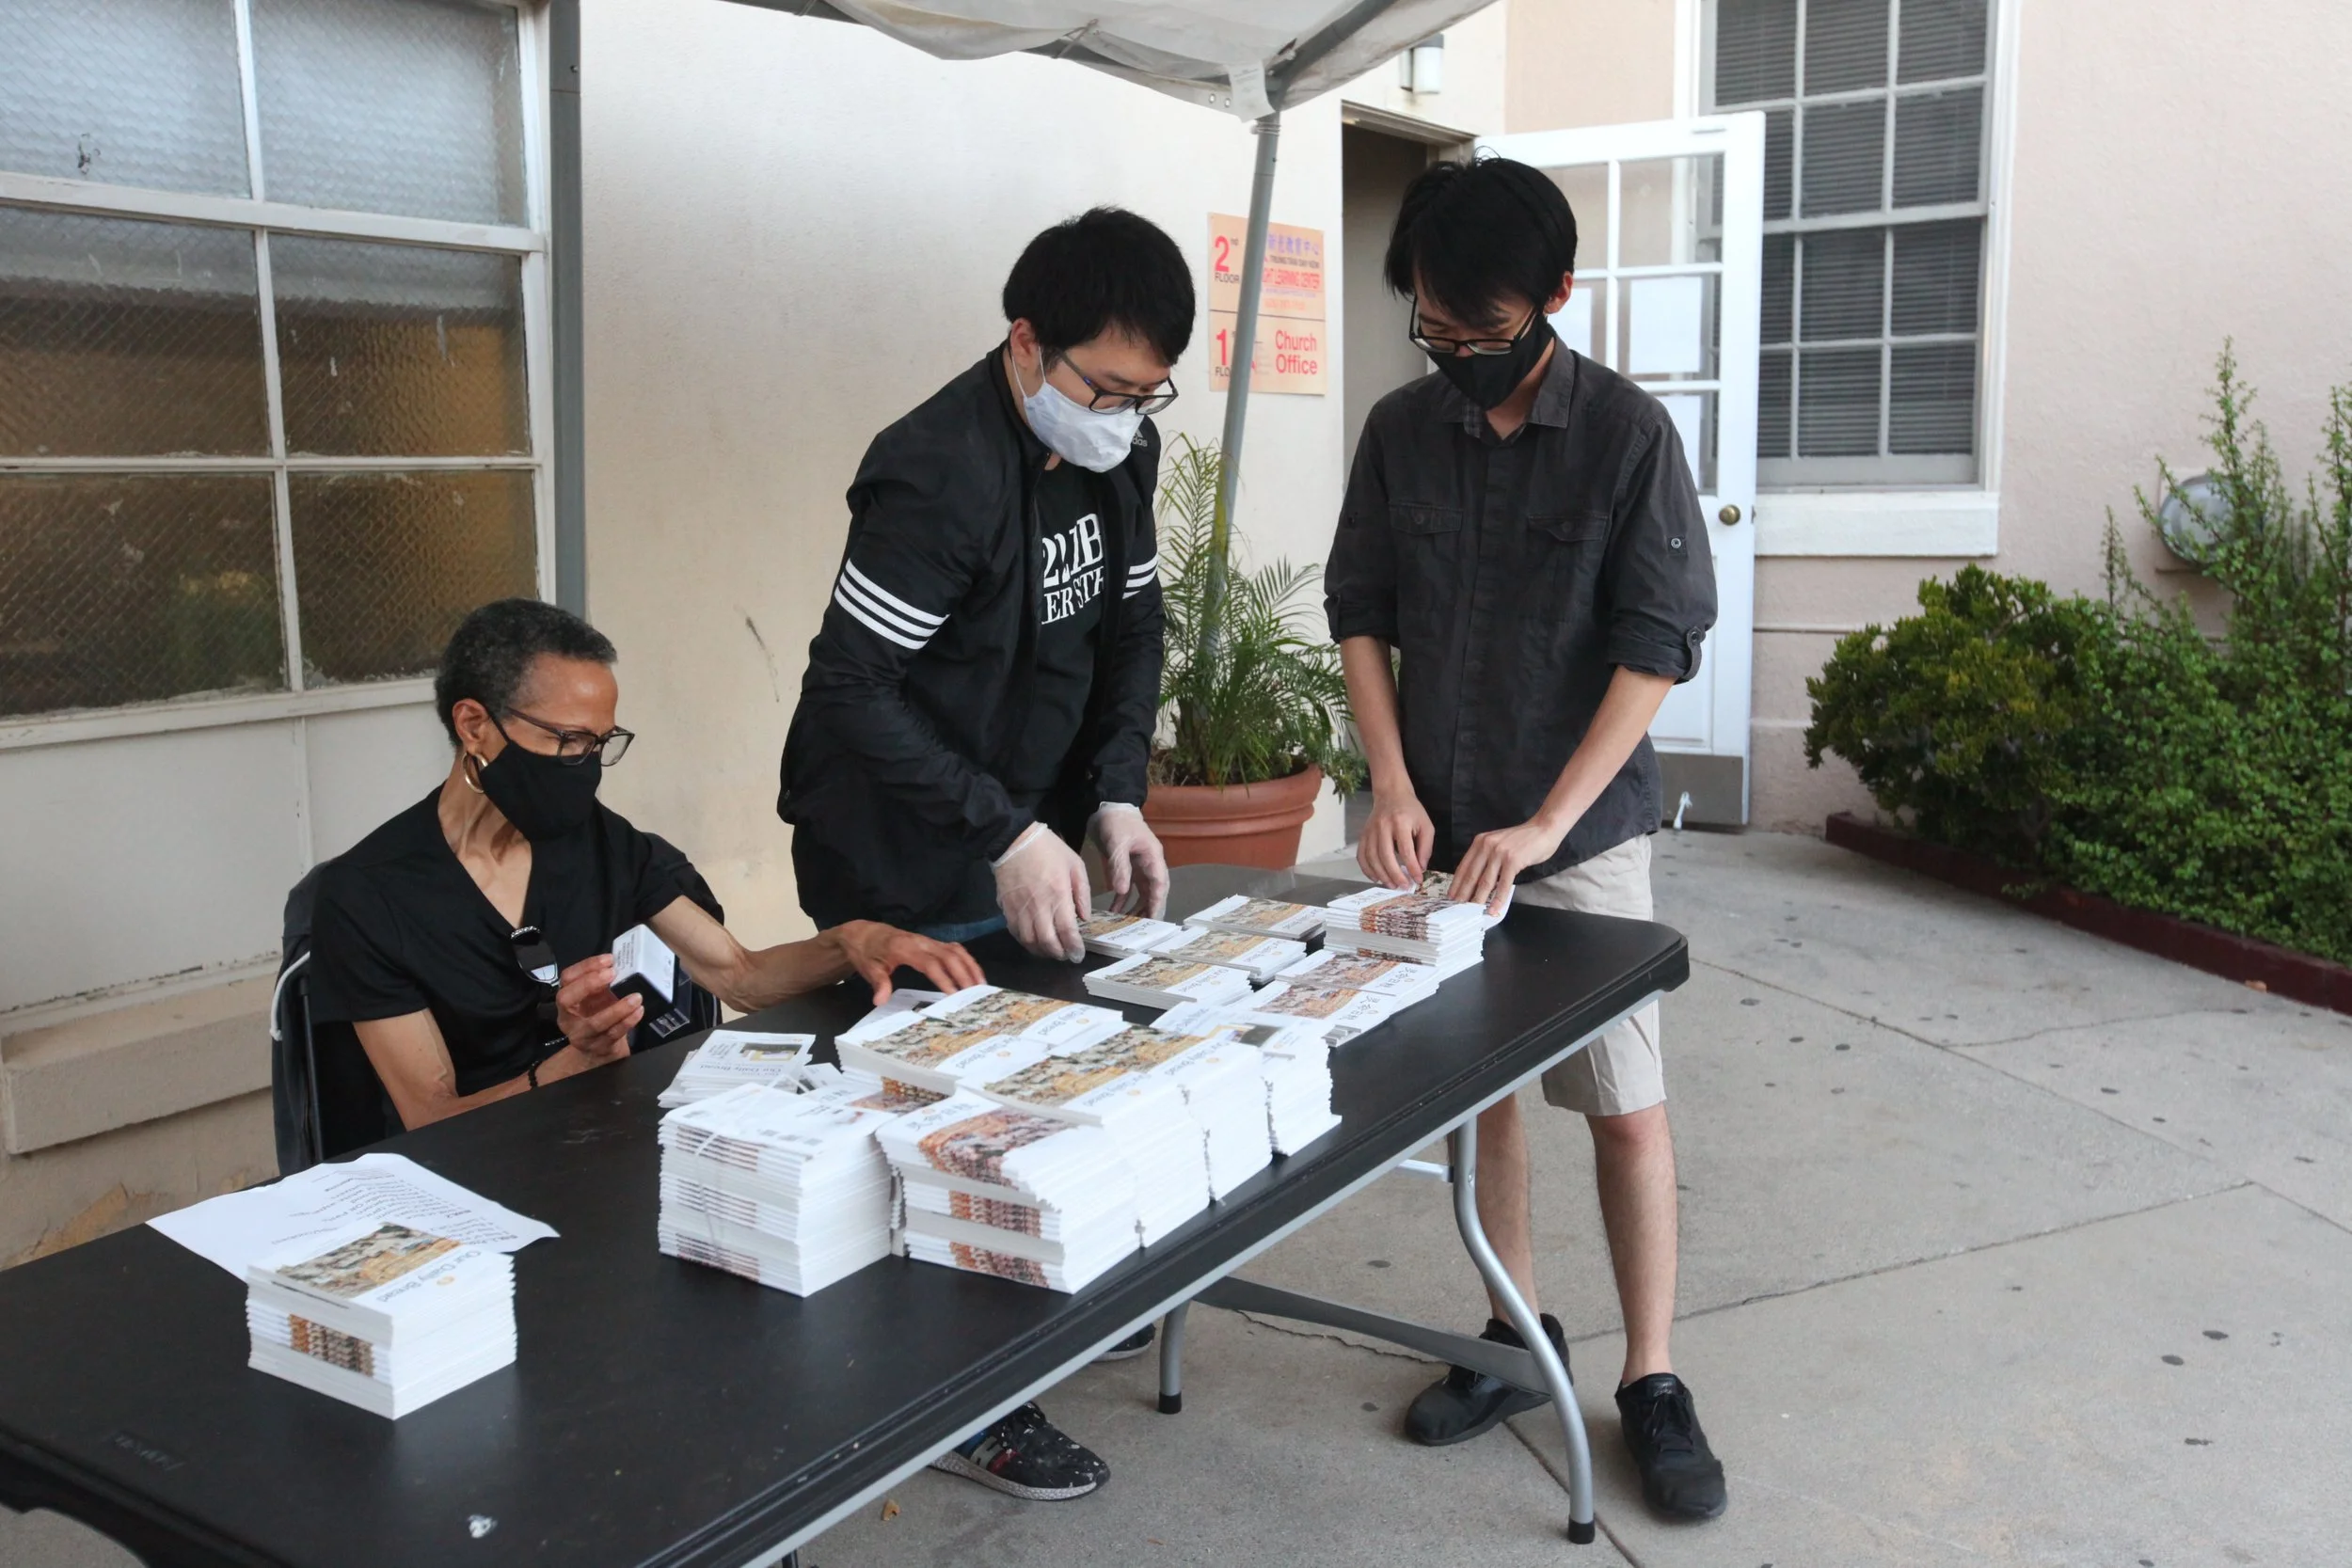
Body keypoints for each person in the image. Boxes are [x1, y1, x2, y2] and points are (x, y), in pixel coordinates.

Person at [1324, 156, 1728, 1520]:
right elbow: (1361, 608)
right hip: (1437, 829)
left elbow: (1656, 645)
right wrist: (1387, 778)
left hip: (1584, 832)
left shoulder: (1626, 438)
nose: (1456, 356)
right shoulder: (1399, 430)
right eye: (1433, 327)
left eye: (1482, 332)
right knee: (1483, 1092)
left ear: (1556, 296)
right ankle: (1514, 1332)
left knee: (1621, 1103)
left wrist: (1551, 817)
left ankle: (1655, 1375)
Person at [776, 206, 1195, 1502]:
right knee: (933, 1119)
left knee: (1032, 1083)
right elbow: (852, 686)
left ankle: (1024, 1293)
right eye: (1104, 384)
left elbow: (1133, 629)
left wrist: (1116, 794)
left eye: (1146, 391)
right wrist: (1000, 827)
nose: (1124, 413)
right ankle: (969, 1399)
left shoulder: (1119, 449)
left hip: (1016, 822)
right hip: (894, 837)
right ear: (1027, 341)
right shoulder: (933, 472)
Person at [308, 598, 980, 1132]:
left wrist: (851, 940)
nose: (587, 766)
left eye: (602, 742)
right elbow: (431, 1114)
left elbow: (739, 975)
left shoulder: (596, 840)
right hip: (477, 1180)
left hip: (597, 1144)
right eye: (568, 739)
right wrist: (575, 1061)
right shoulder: (366, 896)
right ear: (474, 724)